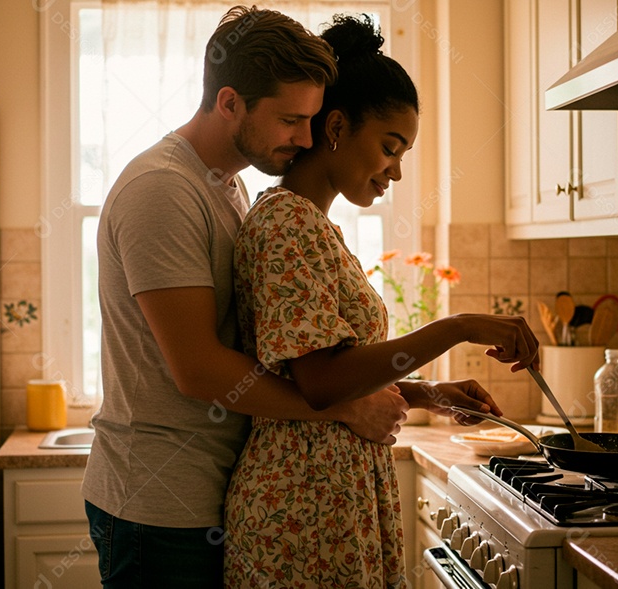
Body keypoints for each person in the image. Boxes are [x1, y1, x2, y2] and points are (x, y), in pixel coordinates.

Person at [82, 7, 410, 588]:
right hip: (157, 505)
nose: (307, 139)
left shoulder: (228, 189)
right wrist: (344, 406)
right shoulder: (162, 190)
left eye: (312, 120)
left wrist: (411, 391)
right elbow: (200, 370)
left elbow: (270, 352)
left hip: (206, 491)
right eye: (290, 120)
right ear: (229, 101)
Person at [224, 14, 539, 588]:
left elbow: (325, 374)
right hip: (299, 512)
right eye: (390, 148)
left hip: (327, 502)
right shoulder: (284, 222)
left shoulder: (316, 227)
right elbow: (320, 383)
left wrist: (428, 393)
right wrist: (461, 326)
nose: (395, 171)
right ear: (337, 127)